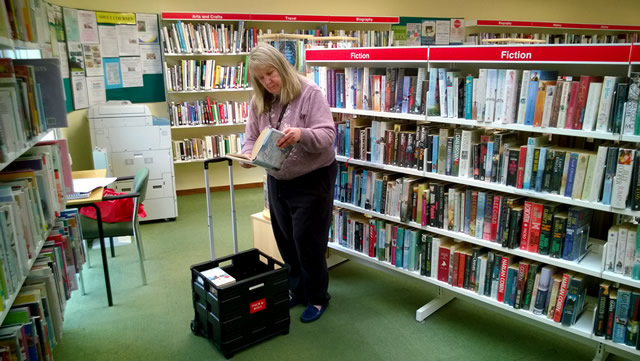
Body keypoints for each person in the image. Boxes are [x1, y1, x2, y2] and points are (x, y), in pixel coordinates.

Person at [240, 43, 337, 323]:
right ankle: (297, 288)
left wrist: (302, 134)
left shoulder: (309, 93)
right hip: (277, 179)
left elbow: (327, 135)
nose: (267, 82)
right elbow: (250, 137)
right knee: (285, 240)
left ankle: (318, 298)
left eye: (271, 74)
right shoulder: (259, 99)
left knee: (308, 241)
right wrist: (247, 154)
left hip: (312, 178)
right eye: (260, 78)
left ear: (282, 67)